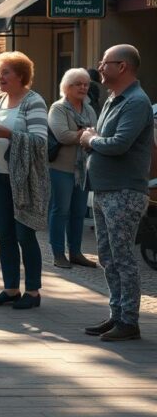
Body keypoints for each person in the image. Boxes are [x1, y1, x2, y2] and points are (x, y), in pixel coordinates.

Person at [80, 45, 153, 341]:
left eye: (105, 62)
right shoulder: (114, 98)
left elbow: (119, 143)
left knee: (122, 257)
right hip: (105, 189)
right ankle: (117, 314)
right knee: (108, 257)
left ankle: (129, 321)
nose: (99, 66)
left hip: (124, 191)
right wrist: (94, 138)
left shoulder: (135, 101)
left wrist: (91, 139)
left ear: (122, 67)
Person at [0, 51, 49, 310]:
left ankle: (33, 291)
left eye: (5, 72)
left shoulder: (34, 101)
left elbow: (40, 142)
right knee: (4, 235)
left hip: (24, 182)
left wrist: (10, 134)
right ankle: (10, 288)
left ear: (20, 75)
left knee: (24, 235)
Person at [47, 68, 98, 269]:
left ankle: (75, 252)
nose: (83, 87)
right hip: (61, 168)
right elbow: (62, 136)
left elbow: (96, 135)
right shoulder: (58, 108)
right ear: (67, 87)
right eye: (78, 84)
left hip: (83, 169)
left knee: (78, 212)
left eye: (86, 84)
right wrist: (86, 134)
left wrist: (83, 134)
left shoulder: (90, 109)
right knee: (60, 210)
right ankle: (58, 254)